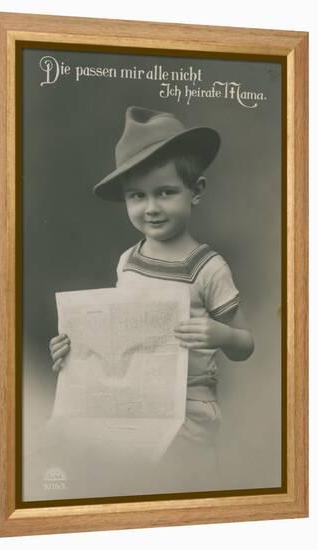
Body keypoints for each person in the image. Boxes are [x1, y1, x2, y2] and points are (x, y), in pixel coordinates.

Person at [48, 106, 254, 492]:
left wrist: (220, 335)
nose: (151, 207)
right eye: (137, 196)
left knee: (184, 491)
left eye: (165, 192)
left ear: (196, 192)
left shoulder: (208, 268)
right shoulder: (128, 261)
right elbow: (116, 338)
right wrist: (73, 350)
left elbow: (246, 343)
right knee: (125, 487)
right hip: (131, 405)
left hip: (191, 410)